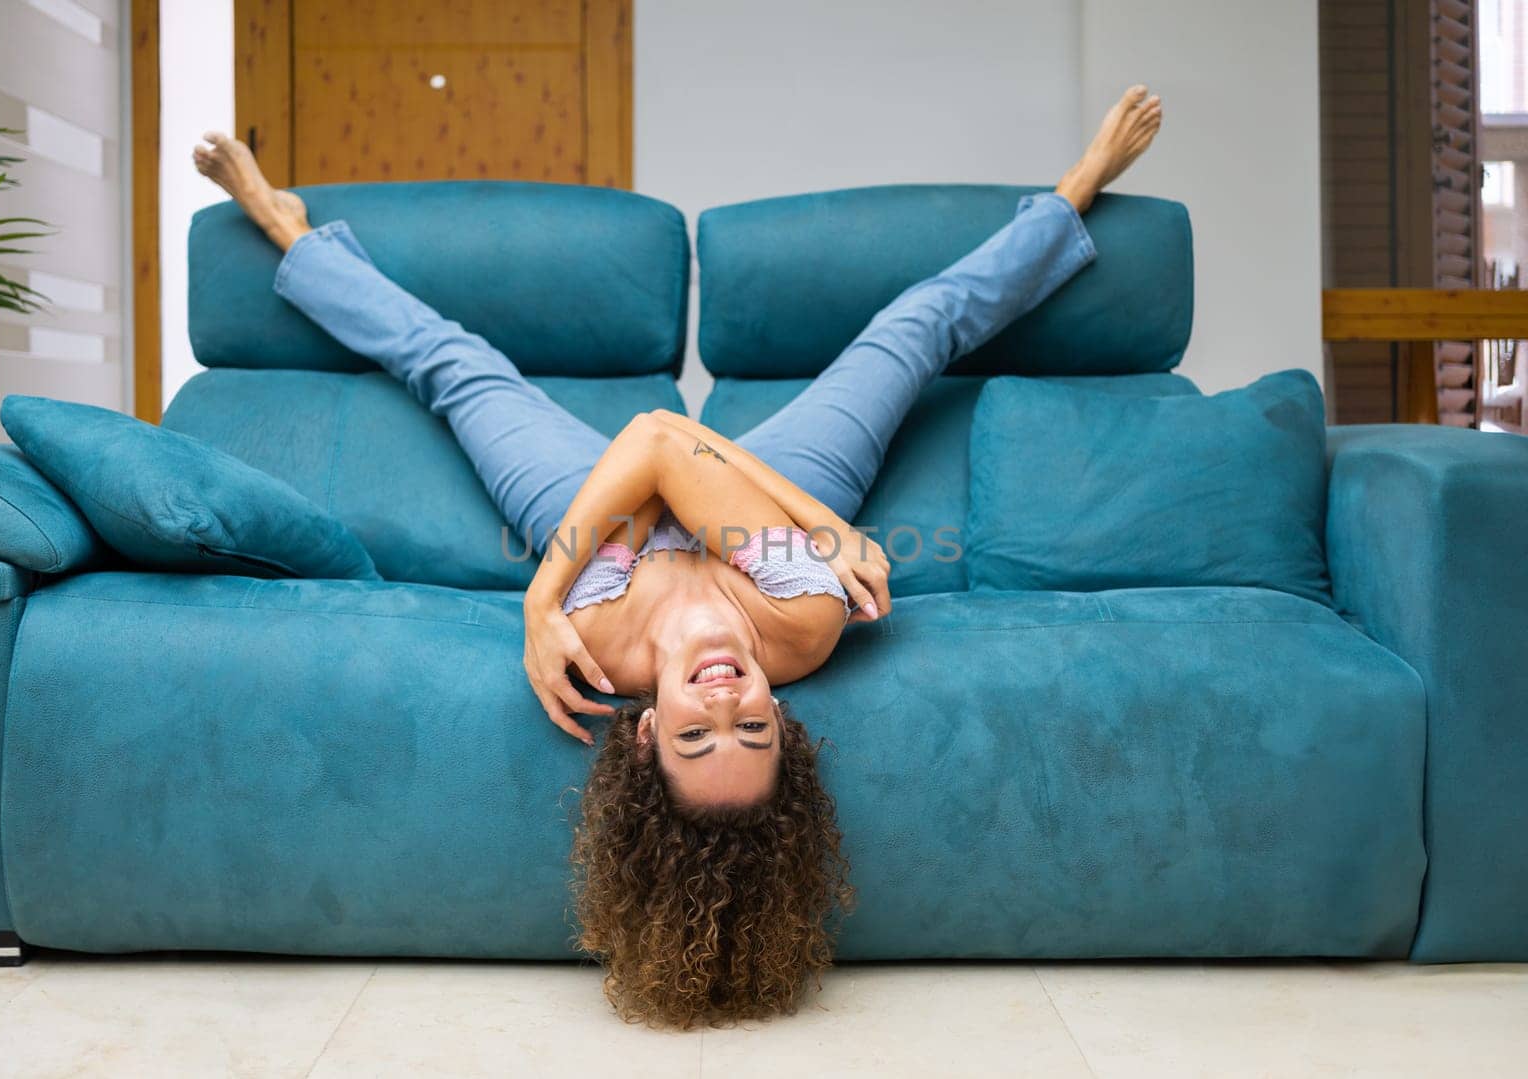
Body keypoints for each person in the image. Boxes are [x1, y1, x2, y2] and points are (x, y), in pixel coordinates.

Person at [192, 85, 1161, 1027]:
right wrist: (815, 525)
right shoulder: (805, 622)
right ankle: (1075, 190)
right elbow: (666, 452)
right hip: (764, 497)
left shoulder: (597, 649)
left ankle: (288, 230)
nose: (726, 705)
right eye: (754, 733)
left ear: (646, 735)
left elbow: (657, 443)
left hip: (605, 530)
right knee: (912, 331)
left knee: (453, 364)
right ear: (786, 723)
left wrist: (545, 601)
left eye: (698, 736)